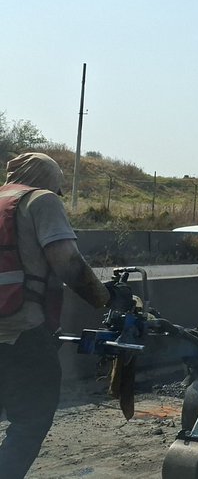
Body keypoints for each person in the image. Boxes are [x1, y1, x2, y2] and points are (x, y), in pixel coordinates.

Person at [0, 152, 124, 478]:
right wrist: (104, 298)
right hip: (21, 333)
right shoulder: (40, 201)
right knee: (29, 421)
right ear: (51, 182)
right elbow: (67, 262)